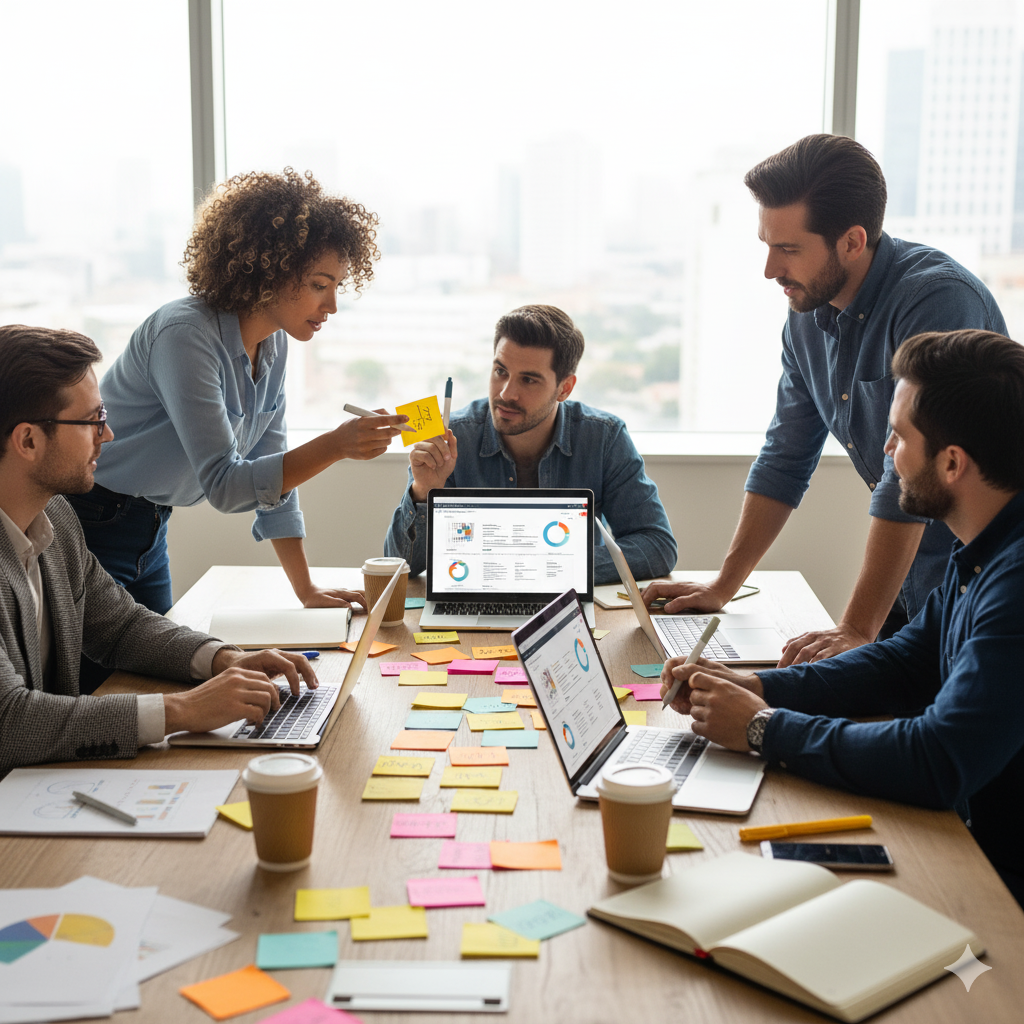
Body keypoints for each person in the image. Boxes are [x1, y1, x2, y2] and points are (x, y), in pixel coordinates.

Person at [661, 329, 1024, 903]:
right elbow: (906, 661)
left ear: (952, 463)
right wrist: (755, 686)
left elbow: (938, 759)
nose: (886, 452)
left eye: (899, 436)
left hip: (997, 885)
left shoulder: (1015, 582)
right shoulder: (983, 546)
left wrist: (762, 727)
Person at [643, 135, 1006, 666]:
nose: (770, 269)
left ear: (853, 241)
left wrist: (858, 625)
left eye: (788, 249)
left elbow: (903, 474)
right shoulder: (806, 317)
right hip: (911, 590)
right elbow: (785, 456)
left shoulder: (936, 300)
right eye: (766, 244)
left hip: (987, 586)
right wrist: (724, 585)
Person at [67, 168, 407, 621]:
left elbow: (274, 468)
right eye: (318, 285)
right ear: (270, 268)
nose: (331, 306)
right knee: (111, 685)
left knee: (154, 670)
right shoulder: (184, 335)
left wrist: (306, 590)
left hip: (151, 523)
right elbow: (227, 486)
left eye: (336, 287)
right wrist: (337, 445)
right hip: (92, 520)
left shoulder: (275, 342)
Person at [0, 325, 318, 776]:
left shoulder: (57, 521)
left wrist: (225, 658)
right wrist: (181, 710)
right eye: (92, 421)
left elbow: (120, 626)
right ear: (28, 440)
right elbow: (8, 721)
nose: (107, 435)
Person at [382, 304, 677, 584]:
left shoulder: (603, 437)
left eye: (529, 380)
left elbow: (657, 545)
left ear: (565, 387)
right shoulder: (452, 436)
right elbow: (399, 566)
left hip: (567, 605)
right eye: (501, 372)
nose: (507, 393)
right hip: (474, 603)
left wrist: (547, 568)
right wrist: (423, 493)